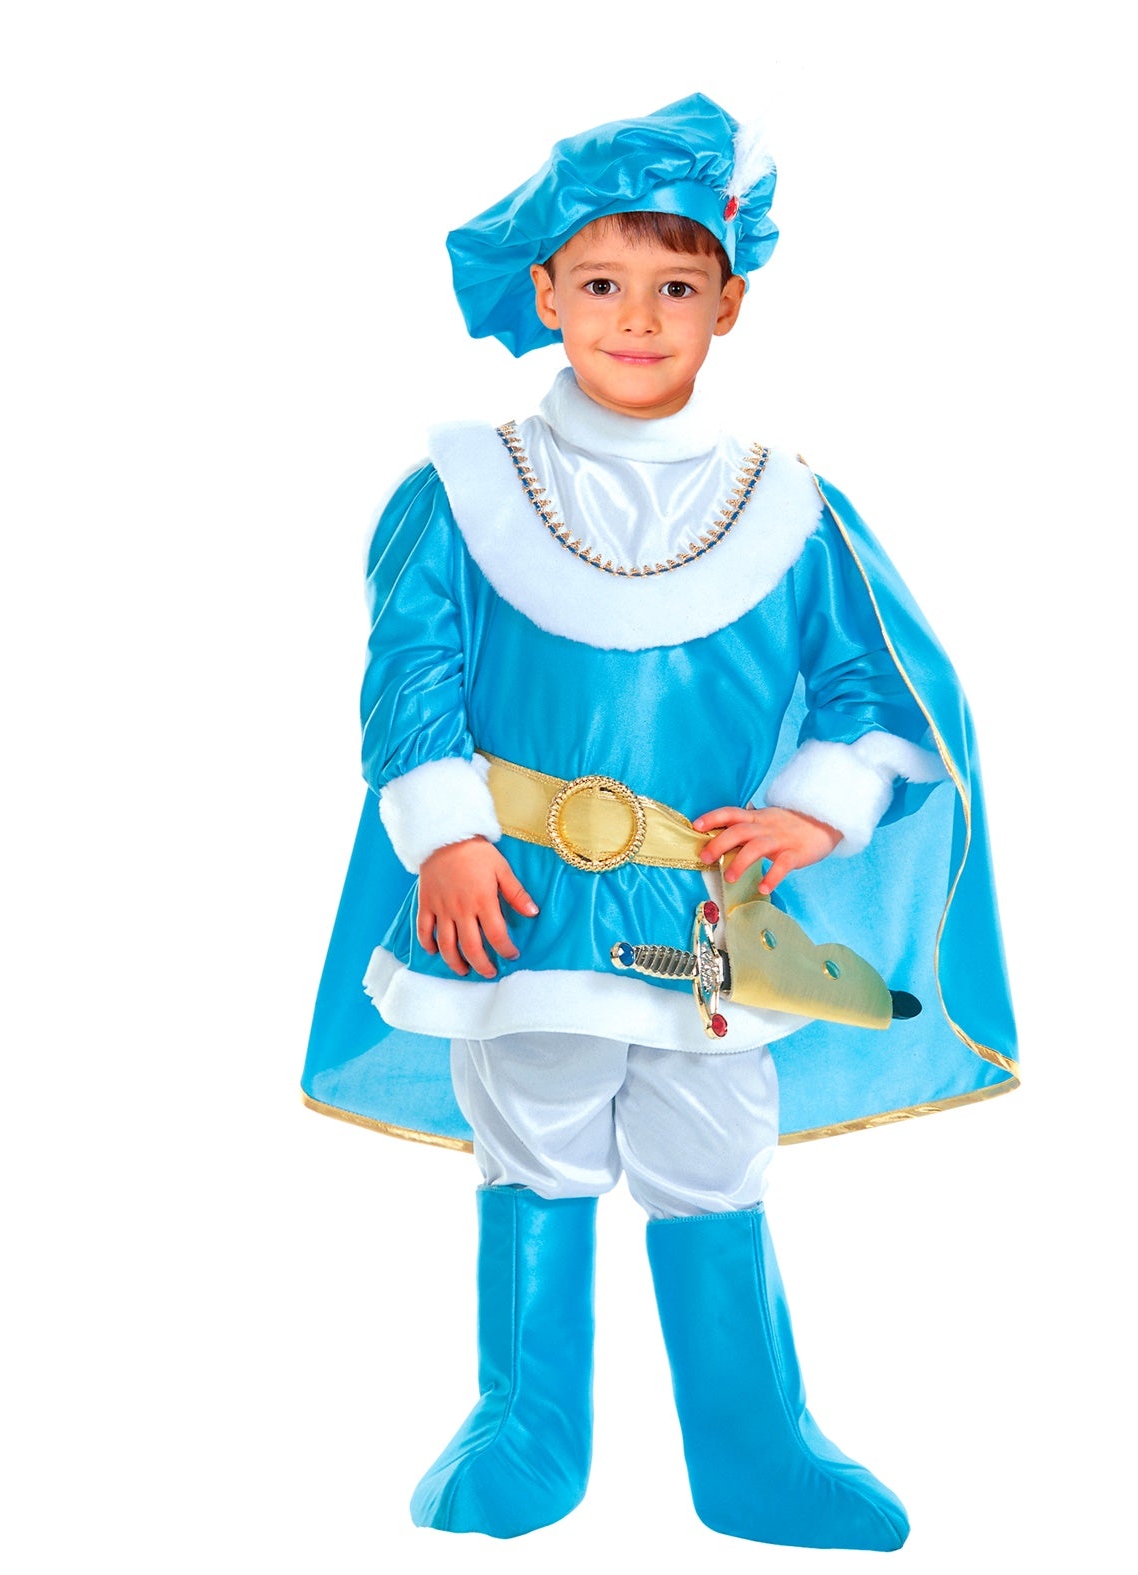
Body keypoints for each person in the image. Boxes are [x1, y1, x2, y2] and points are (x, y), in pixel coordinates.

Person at [303, 93, 1019, 1550]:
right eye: (602, 283)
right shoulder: (464, 491)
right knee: (537, 1129)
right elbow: (410, 675)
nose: (637, 318)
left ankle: (755, 1446)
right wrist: (446, 836)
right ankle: (528, 1425)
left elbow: (873, 682)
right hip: (523, 901)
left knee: (715, 1144)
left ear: (728, 303)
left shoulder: (788, 506)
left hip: (702, 917)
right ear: (546, 293)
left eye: (676, 288)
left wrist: (816, 812)